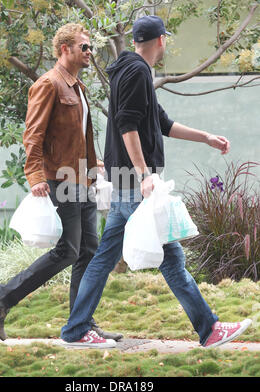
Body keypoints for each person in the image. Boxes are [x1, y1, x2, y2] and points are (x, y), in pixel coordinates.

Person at [59, 16, 252, 349]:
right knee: (171, 258)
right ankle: (209, 329)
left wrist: (206, 137)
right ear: (161, 40)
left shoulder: (128, 69)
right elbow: (127, 125)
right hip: (135, 183)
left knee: (104, 256)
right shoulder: (136, 72)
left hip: (124, 182)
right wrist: (145, 174)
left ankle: (75, 329)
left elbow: (160, 122)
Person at [0, 23, 123, 342]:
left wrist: (93, 164)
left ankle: (81, 323)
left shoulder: (78, 87)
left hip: (81, 178)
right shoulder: (48, 84)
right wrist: (34, 176)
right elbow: (33, 135)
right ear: (65, 50)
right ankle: (2, 297)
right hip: (59, 180)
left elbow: (78, 136)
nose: (90, 52)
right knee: (69, 250)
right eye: (84, 47)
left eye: (90, 47)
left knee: (88, 249)